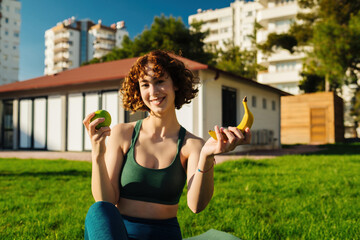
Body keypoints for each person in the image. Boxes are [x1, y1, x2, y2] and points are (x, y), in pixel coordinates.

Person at [83, 50, 251, 240]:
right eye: (145, 84)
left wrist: (207, 156)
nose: (153, 92)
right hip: (121, 235)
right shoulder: (122, 133)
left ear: (176, 85)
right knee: (99, 210)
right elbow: (106, 201)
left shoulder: (192, 145)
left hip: (164, 235)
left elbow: (196, 206)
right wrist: (97, 154)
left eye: (160, 81)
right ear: (139, 90)